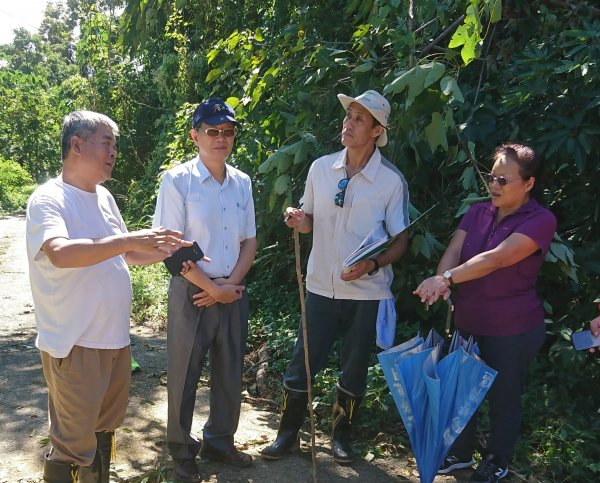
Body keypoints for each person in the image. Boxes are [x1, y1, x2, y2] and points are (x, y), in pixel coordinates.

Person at [26, 110, 189, 482]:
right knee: (71, 444)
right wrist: (130, 239)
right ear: (77, 145)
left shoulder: (103, 198)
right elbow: (61, 253)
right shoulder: (48, 198)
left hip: (113, 340)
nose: (114, 152)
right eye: (107, 143)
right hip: (75, 341)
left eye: (115, 145)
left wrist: (168, 249)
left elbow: (127, 254)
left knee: (102, 432)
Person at [261, 90, 410, 464]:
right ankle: (287, 435)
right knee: (303, 361)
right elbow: (309, 221)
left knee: (355, 367)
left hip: (367, 291)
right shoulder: (320, 168)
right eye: (348, 116)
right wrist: (299, 219)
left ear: (377, 131)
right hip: (320, 287)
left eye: (360, 119)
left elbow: (400, 241)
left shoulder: (390, 181)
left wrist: (372, 266)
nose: (349, 123)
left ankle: (341, 438)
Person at [414, 143, 557, 482]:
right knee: (462, 392)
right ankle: (460, 455)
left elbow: (496, 258)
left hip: (513, 329)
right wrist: (442, 280)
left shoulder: (541, 220)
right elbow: (455, 249)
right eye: (492, 177)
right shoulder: (478, 212)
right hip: (469, 322)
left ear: (528, 184)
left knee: (503, 399)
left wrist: (447, 278)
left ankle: (495, 460)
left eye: (503, 180)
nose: (494, 185)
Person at [153, 97, 257, 482]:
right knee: (184, 374)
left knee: (230, 373)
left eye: (228, 132)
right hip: (191, 292)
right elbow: (169, 247)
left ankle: (220, 441)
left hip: (233, 292)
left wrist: (230, 285)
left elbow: (250, 240)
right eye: (212, 131)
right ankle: (182, 452)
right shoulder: (177, 180)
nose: (221, 138)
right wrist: (211, 289)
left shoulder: (241, 182)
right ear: (195, 135)